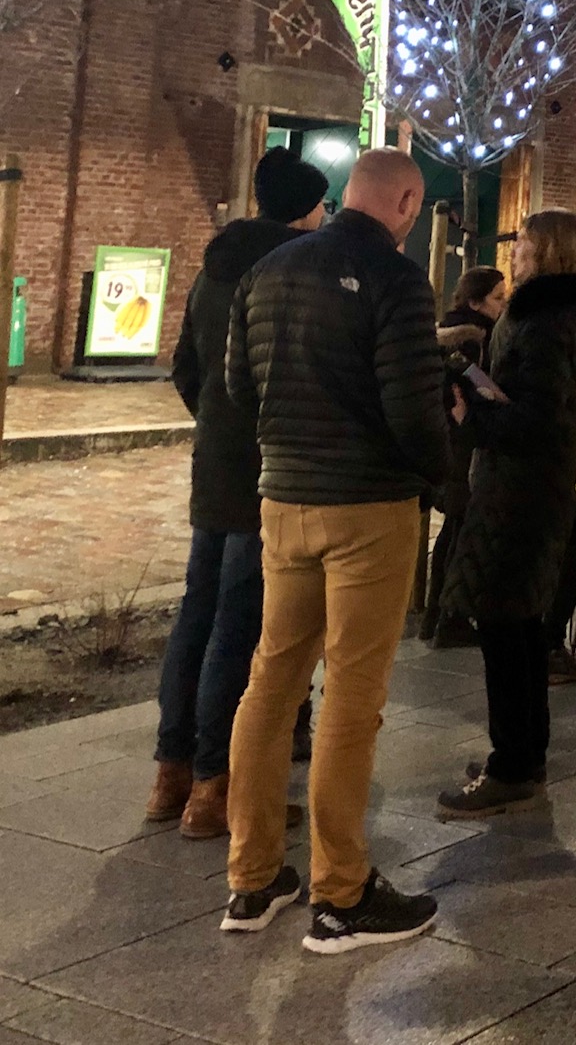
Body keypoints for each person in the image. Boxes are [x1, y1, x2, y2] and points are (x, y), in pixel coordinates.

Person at [221, 148, 449, 952]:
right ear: (406, 203)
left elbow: (237, 387)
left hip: (284, 499)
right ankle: (341, 894)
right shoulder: (395, 280)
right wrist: (445, 478)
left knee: (271, 679)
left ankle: (251, 879)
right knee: (353, 695)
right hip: (369, 507)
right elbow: (414, 407)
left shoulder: (270, 269)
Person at [148, 149, 329, 839]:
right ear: (304, 208)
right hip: (267, 466)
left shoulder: (213, 267)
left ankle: (169, 774)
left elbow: (185, 367)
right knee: (239, 623)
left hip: (215, 461)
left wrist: (218, 421)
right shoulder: (293, 268)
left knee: (197, 613)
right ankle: (214, 788)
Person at [435, 212, 576, 821]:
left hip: (523, 490)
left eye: (528, 247)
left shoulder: (545, 321)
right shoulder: (559, 316)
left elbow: (539, 419)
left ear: (551, 254)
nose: (518, 258)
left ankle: (512, 763)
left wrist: (470, 415)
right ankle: (522, 752)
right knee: (521, 625)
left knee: (505, 626)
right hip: (532, 486)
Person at [421, 266, 507, 648]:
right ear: (476, 301)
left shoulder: (443, 332)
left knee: (455, 528)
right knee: (461, 530)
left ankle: (436, 615)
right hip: (464, 444)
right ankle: (447, 617)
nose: (503, 305)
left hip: (447, 441)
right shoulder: (474, 339)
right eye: (497, 298)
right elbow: (474, 387)